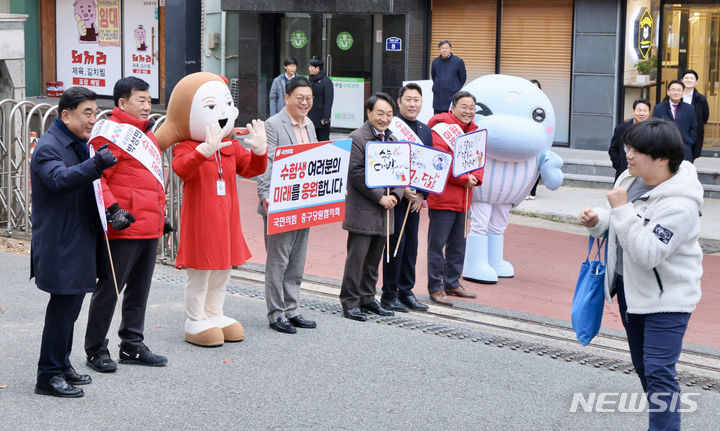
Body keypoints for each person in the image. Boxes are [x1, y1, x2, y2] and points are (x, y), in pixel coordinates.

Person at [578, 118, 702, 431]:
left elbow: (648, 252)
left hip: (667, 300)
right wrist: (599, 220)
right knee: (645, 370)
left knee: (659, 372)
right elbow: (628, 224)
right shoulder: (630, 179)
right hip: (630, 293)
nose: (628, 155)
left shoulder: (681, 204)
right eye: (628, 148)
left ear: (662, 159)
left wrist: (619, 210)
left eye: (637, 151)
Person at [163, 72, 268, 347]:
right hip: (201, 218)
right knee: (201, 270)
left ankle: (215, 312)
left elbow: (253, 169)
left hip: (227, 218)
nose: (221, 113)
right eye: (210, 107)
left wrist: (259, 150)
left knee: (223, 268)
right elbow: (181, 169)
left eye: (224, 104)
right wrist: (202, 152)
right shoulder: (185, 146)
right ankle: (195, 318)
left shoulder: (231, 146)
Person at [31, 87, 117, 397]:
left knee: (71, 309)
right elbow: (58, 180)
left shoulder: (80, 143)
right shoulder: (48, 147)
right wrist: (96, 165)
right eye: (87, 113)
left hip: (80, 239)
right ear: (65, 114)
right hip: (61, 243)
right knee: (62, 308)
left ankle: (62, 363)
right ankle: (48, 375)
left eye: (96, 113)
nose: (94, 119)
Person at [84, 77, 169, 372]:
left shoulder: (148, 135)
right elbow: (98, 179)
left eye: (149, 100)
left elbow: (153, 182)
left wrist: (162, 215)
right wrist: (112, 211)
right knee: (110, 289)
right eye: (140, 100)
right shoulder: (110, 134)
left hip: (149, 224)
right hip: (123, 224)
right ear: (122, 103)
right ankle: (95, 348)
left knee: (140, 289)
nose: (147, 106)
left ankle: (132, 344)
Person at [257, 76, 319, 333]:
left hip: (303, 202)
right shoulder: (273, 125)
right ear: (287, 99)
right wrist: (265, 195)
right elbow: (265, 162)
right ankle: (276, 314)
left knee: (297, 259)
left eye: (309, 99)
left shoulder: (310, 125)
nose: (304, 103)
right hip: (279, 202)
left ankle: (292, 310)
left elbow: (318, 160)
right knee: (278, 260)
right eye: (300, 98)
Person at [340, 92, 403, 321]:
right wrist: (380, 198)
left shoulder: (393, 140)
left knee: (374, 259)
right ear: (368, 112)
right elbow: (356, 173)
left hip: (386, 211)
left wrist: (395, 195)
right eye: (379, 113)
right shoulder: (357, 138)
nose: (384, 118)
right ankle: (350, 301)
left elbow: (400, 173)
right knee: (356, 258)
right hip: (364, 209)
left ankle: (367, 297)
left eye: (389, 114)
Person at [426, 91, 483, 306]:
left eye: (472, 107)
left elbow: (479, 161)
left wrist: (475, 178)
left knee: (459, 243)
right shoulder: (440, 129)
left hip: (464, 197)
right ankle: (435, 286)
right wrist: (464, 178)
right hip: (443, 197)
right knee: (437, 244)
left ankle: (452, 281)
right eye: (464, 107)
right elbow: (441, 162)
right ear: (453, 107)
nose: (468, 111)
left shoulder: (474, 132)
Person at [381, 83, 431, 312]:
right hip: (396, 197)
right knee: (394, 245)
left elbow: (430, 167)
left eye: (417, 100)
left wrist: (422, 194)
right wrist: (403, 190)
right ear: (399, 102)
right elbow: (383, 163)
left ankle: (406, 290)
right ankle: (389, 293)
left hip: (415, 201)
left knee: (411, 244)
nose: (412, 104)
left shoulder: (425, 130)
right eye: (408, 99)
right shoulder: (391, 127)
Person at [651, 80, 697, 162]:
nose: (676, 92)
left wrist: (689, 140)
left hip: (684, 148)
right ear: (668, 92)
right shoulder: (659, 108)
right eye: (673, 90)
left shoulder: (689, 108)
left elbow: (694, 127)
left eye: (679, 90)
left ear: (683, 93)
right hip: (664, 149)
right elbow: (654, 127)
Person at [608, 98, 651, 180]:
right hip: (624, 171)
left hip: (645, 173)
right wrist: (618, 164)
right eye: (639, 110)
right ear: (633, 111)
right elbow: (613, 149)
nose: (642, 113)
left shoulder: (653, 130)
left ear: (649, 112)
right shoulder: (621, 128)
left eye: (645, 111)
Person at [431, 40, 466, 115]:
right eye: (442, 48)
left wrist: (454, 87)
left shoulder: (458, 61)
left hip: (451, 96)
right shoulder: (435, 61)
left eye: (446, 48)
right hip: (438, 96)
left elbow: (462, 78)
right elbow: (434, 76)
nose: (444, 50)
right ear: (439, 50)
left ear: (450, 49)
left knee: (451, 120)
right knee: (438, 120)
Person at [681, 70, 710, 160]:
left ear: (696, 82)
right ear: (681, 80)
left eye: (692, 78)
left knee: (691, 159)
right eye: (686, 78)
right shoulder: (675, 96)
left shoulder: (700, 99)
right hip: (676, 133)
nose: (689, 80)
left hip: (693, 134)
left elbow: (704, 117)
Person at [308, 57, 334, 141]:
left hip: (321, 118)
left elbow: (328, 101)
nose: (309, 69)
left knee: (323, 141)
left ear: (317, 68)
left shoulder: (326, 81)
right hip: (310, 116)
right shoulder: (309, 80)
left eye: (311, 67)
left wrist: (326, 117)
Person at [526, 79, 543, 200]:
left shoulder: (543, 103)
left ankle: (533, 190)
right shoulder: (524, 103)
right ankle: (525, 190)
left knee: (537, 165)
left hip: (539, 138)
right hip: (526, 138)